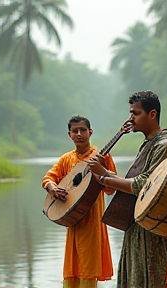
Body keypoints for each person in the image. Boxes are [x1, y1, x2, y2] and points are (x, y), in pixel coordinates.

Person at [87, 90, 167, 288]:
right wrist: (103, 176)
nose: (131, 119)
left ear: (152, 114)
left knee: (152, 279)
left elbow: (144, 185)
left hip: (152, 228)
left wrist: (103, 174)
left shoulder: (163, 146)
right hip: (138, 226)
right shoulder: (148, 145)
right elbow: (134, 181)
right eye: (131, 113)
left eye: (135, 113)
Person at [42, 115, 117, 288]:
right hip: (73, 223)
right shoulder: (66, 159)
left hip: (92, 224)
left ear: (90, 132)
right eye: (75, 131)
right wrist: (52, 188)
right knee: (72, 270)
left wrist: (102, 171)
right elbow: (48, 178)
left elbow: (111, 189)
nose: (79, 134)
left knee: (88, 270)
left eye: (82, 130)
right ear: (70, 135)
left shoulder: (102, 156)